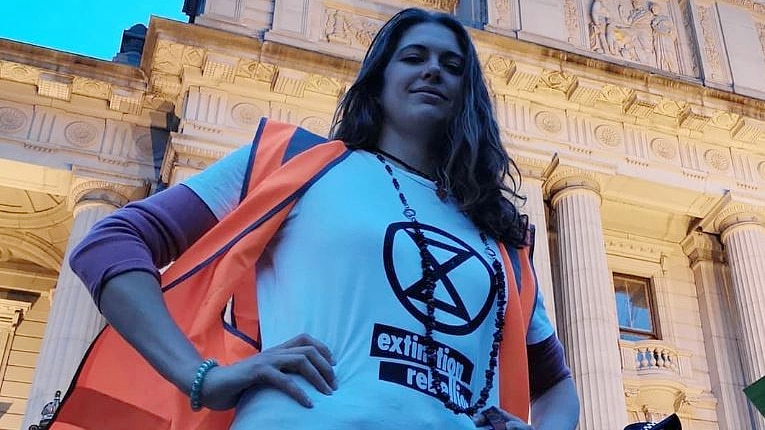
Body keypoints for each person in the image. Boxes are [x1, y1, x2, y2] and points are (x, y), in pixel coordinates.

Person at [51, 7, 579, 430]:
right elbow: (111, 245)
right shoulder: (294, 164)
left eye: (452, 65)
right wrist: (201, 377)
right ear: (377, 80)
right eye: (413, 56)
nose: (433, 70)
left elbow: (555, 384)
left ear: (468, 96)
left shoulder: (499, 238)